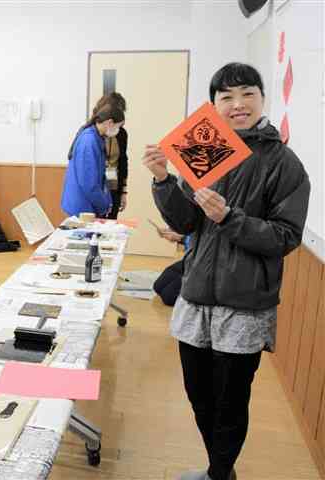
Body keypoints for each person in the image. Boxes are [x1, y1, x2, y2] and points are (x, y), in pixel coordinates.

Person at [143, 62, 310, 480]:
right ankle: (221, 470)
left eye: (246, 94)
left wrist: (229, 218)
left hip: (245, 303)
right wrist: (163, 179)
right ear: (214, 105)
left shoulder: (284, 162)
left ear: (262, 98)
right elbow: (185, 222)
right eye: (226, 98)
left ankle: (219, 475)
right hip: (197, 295)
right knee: (199, 394)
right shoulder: (207, 148)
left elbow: (285, 237)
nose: (237, 105)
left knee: (230, 402)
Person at [61, 101, 125, 218]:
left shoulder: (96, 137)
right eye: (118, 126)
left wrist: (107, 201)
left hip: (86, 205)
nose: (118, 130)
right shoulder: (89, 141)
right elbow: (89, 184)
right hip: (81, 208)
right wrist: (104, 205)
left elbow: (99, 177)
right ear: (110, 122)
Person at [93, 92, 129, 219]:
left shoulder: (121, 133)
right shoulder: (93, 134)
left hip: (113, 184)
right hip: (96, 186)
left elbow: (123, 161)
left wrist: (123, 192)